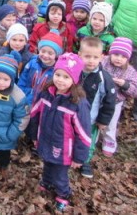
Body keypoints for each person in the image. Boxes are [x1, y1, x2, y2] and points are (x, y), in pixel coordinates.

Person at [30, 53, 91, 212]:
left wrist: (79, 156)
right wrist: (33, 135)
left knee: (60, 174)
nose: (60, 80)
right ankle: (46, 181)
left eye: (66, 77)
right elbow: (35, 113)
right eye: (58, 74)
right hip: (45, 139)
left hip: (63, 147)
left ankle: (63, 194)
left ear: (75, 80)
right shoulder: (46, 92)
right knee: (47, 163)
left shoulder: (77, 103)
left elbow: (83, 132)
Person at [77, 37, 117, 179]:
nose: (91, 61)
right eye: (87, 56)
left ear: (101, 57)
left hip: (91, 118)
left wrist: (103, 120)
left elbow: (109, 101)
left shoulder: (104, 78)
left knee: (88, 140)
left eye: (95, 57)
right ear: (80, 55)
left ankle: (85, 161)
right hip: (73, 114)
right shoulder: (75, 71)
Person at [101, 38, 137, 157]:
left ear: (128, 58)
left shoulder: (130, 71)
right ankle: (93, 136)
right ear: (110, 53)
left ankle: (109, 142)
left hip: (115, 101)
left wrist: (125, 84)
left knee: (111, 123)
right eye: (116, 54)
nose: (119, 58)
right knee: (95, 118)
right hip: (100, 97)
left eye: (123, 56)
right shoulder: (103, 62)